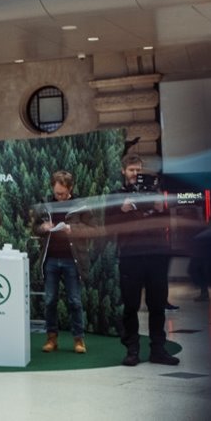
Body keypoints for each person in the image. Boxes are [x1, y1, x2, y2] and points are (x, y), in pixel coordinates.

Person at [109, 154, 179, 367]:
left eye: (138, 170)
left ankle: (158, 349)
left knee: (157, 304)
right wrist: (122, 210)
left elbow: (168, 222)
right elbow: (109, 225)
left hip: (157, 255)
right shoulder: (117, 197)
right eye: (131, 170)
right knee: (130, 306)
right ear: (123, 171)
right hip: (130, 256)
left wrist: (160, 209)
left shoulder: (155, 195)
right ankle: (132, 350)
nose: (135, 174)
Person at [32, 171, 99, 354]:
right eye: (56, 193)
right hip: (50, 259)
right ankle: (51, 339)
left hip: (72, 260)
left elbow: (93, 230)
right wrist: (43, 228)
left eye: (62, 193)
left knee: (75, 301)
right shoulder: (46, 204)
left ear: (70, 188)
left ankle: (79, 340)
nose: (59, 197)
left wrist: (72, 228)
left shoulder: (81, 205)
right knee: (50, 301)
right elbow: (35, 228)